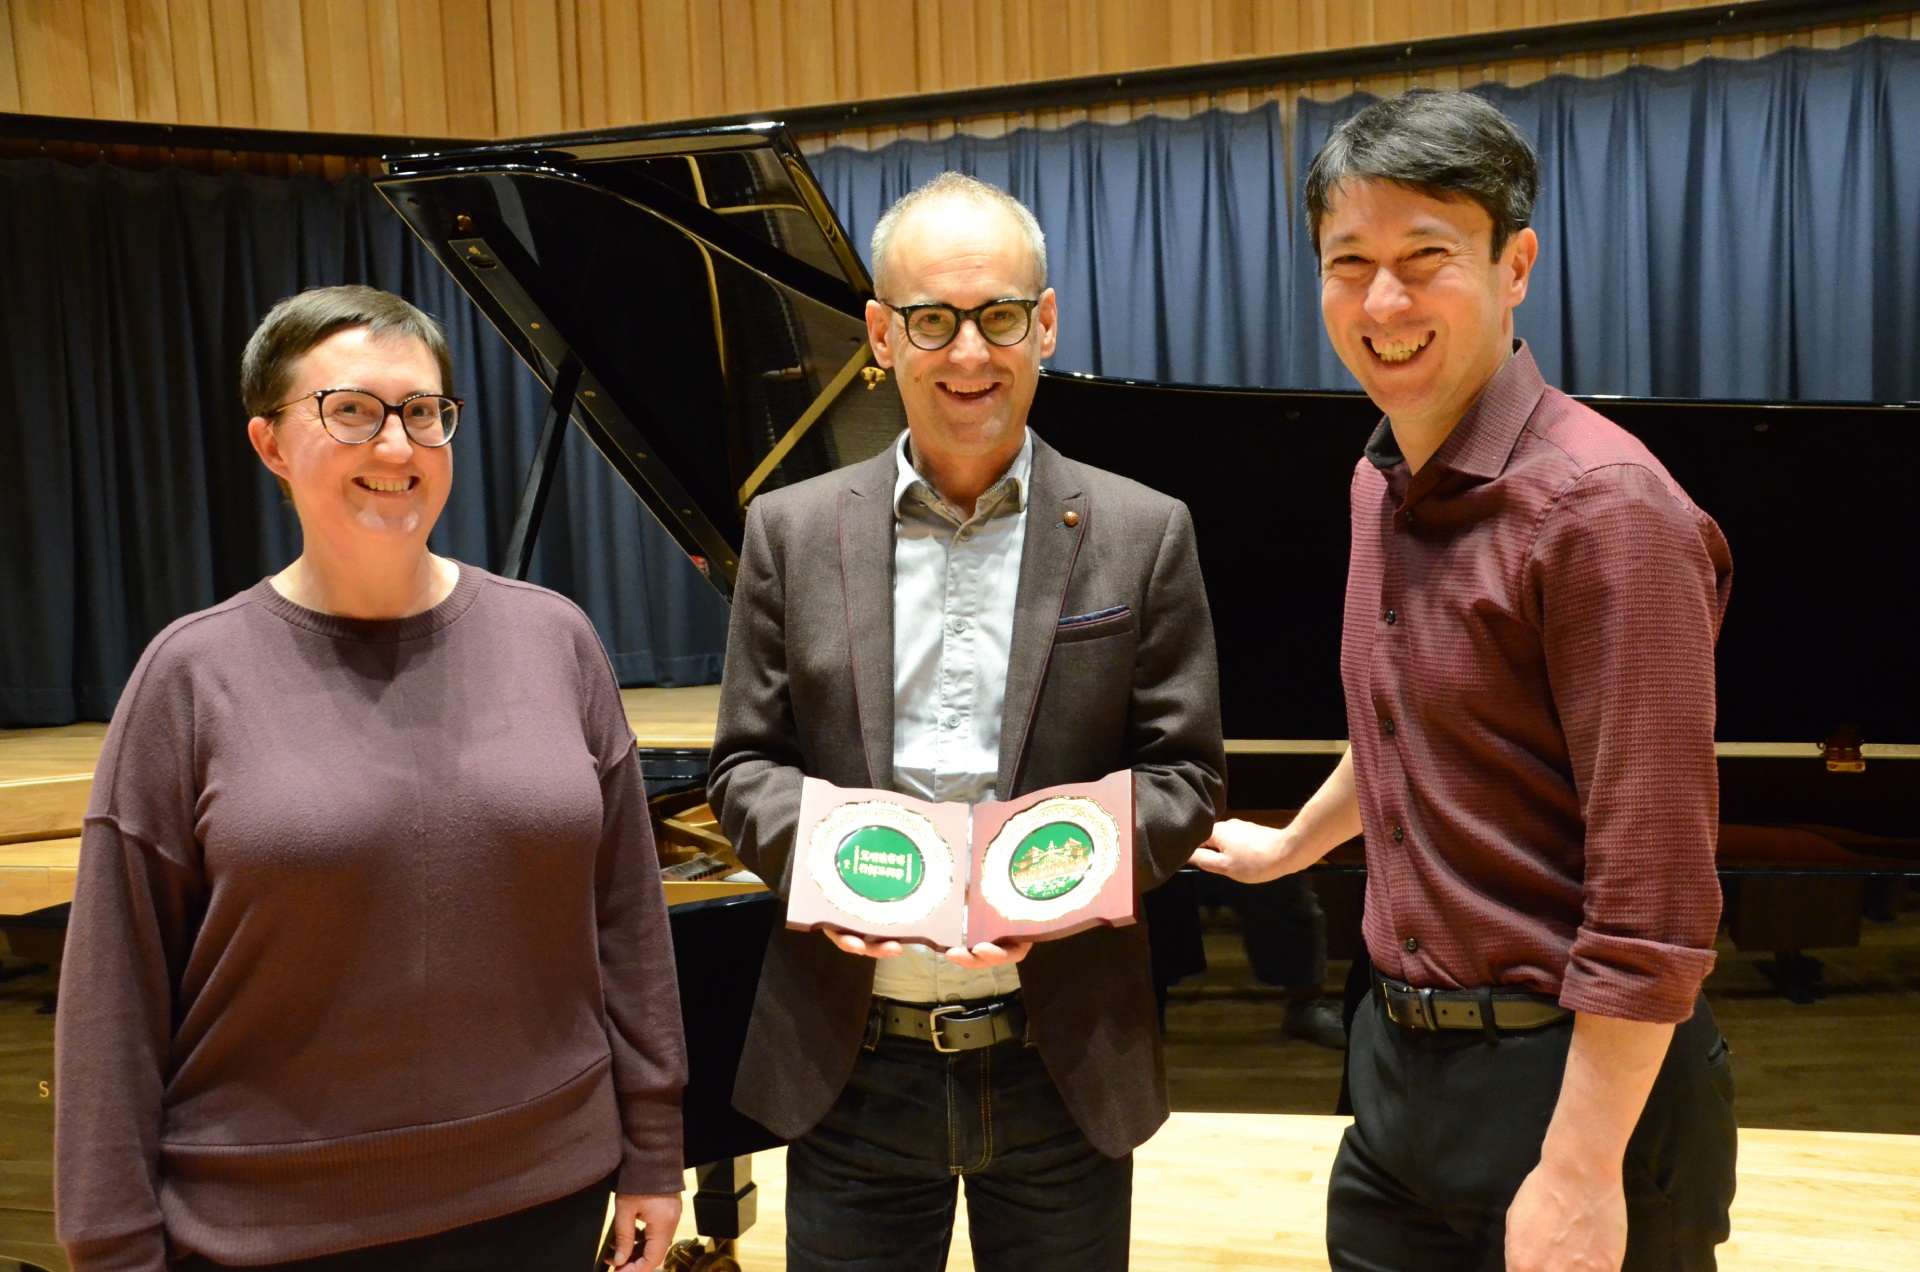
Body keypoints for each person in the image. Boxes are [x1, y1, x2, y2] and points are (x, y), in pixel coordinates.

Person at [1193, 91, 1738, 1271]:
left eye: (1423, 259)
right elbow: (1409, 726)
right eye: (1350, 264)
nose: (1382, 304)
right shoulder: (1381, 477)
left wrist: (1584, 1172)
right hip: (1398, 1072)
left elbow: (1654, 899)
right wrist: (1297, 845)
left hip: (1573, 1092)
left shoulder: (1605, 512)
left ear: (1515, 265)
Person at [53, 285, 687, 1272]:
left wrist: (654, 1149)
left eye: (423, 412)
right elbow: (113, 1000)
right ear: (270, 443)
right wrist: (110, 1245)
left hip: (546, 1200)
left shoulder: (555, 639)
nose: (395, 448)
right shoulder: (189, 677)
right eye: (350, 410)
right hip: (272, 1233)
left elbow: (628, 926)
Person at [707, 173, 1225, 1271]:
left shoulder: (1143, 530)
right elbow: (747, 765)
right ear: (882, 338)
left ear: (1043, 323)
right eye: (932, 322)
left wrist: (1066, 879)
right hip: (851, 1059)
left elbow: (1183, 779)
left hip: (1061, 1052)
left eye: (997, 317)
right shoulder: (790, 532)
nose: (969, 356)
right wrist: (835, 866)